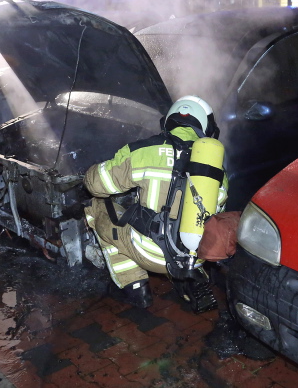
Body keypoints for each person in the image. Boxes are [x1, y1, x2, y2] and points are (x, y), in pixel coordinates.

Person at [83, 95, 228, 313]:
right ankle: (189, 279)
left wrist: (92, 170)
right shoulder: (216, 172)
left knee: (97, 208)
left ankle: (133, 287)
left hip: (149, 252)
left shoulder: (143, 151)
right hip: (194, 257)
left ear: (168, 121)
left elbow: (96, 185)